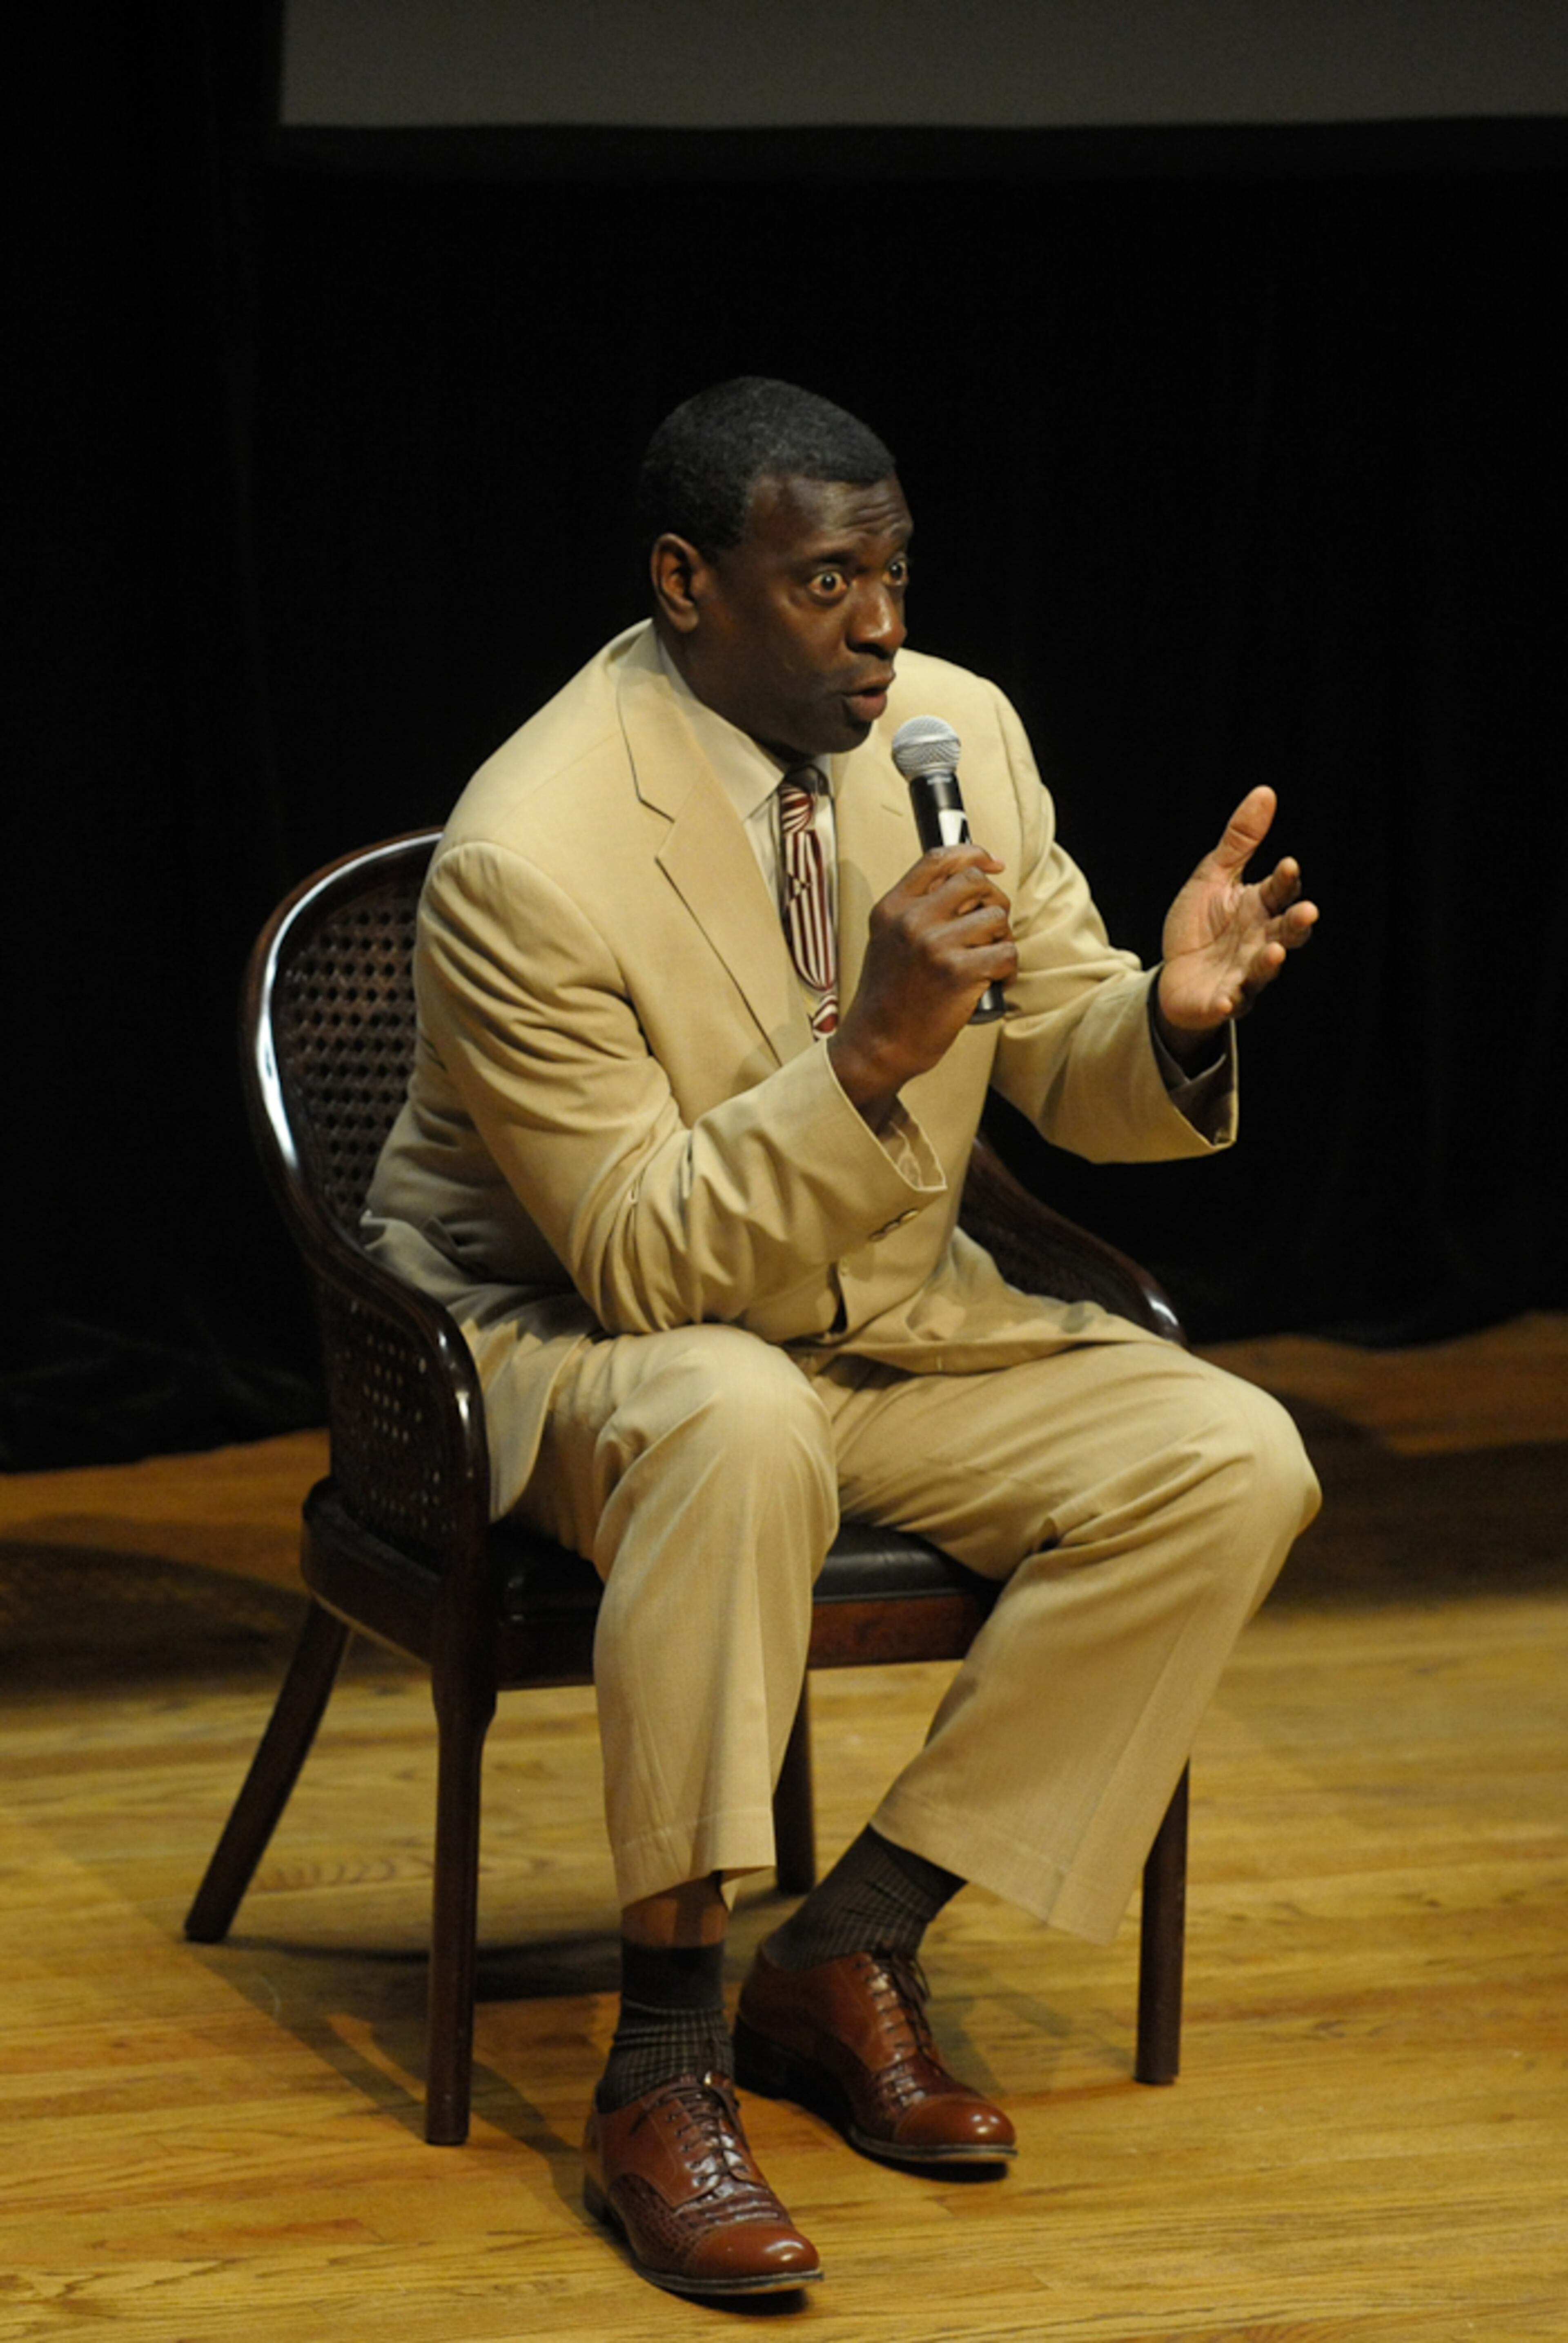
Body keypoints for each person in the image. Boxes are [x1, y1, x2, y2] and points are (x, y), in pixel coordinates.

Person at [364, 377, 1321, 2300]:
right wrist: (871, 1051)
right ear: (686, 584)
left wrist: (1169, 1018)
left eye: (895, 574)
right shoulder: (532, 848)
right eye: (825, 582)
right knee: (731, 1416)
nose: (880, 625)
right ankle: (664, 2062)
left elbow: (1054, 1042)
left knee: (1231, 1454)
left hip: (880, 1323)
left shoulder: (959, 736)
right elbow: (643, 1257)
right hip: (560, 1348)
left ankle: (853, 1939)